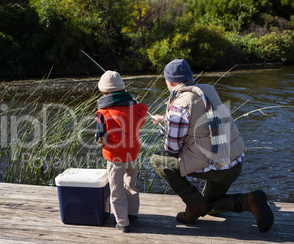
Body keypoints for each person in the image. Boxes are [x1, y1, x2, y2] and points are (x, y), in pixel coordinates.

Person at [149, 59, 274, 233]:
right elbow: (200, 117)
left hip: (216, 166)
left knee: (158, 160)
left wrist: (169, 128)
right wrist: (166, 119)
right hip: (234, 164)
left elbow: (172, 148)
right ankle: (249, 200)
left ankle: (194, 204)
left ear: (168, 82)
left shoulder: (179, 105)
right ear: (191, 78)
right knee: (210, 207)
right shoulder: (208, 90)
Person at [95, 70, 148, 233]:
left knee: (116, 190)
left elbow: (100, 139)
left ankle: (122, 222)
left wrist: (101, 141)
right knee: (130, 184)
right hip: (132, 153)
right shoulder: (136, 107)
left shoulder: (103, 113)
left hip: (115, 157)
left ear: (104, 92)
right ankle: (132, 214)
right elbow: (139, 126)